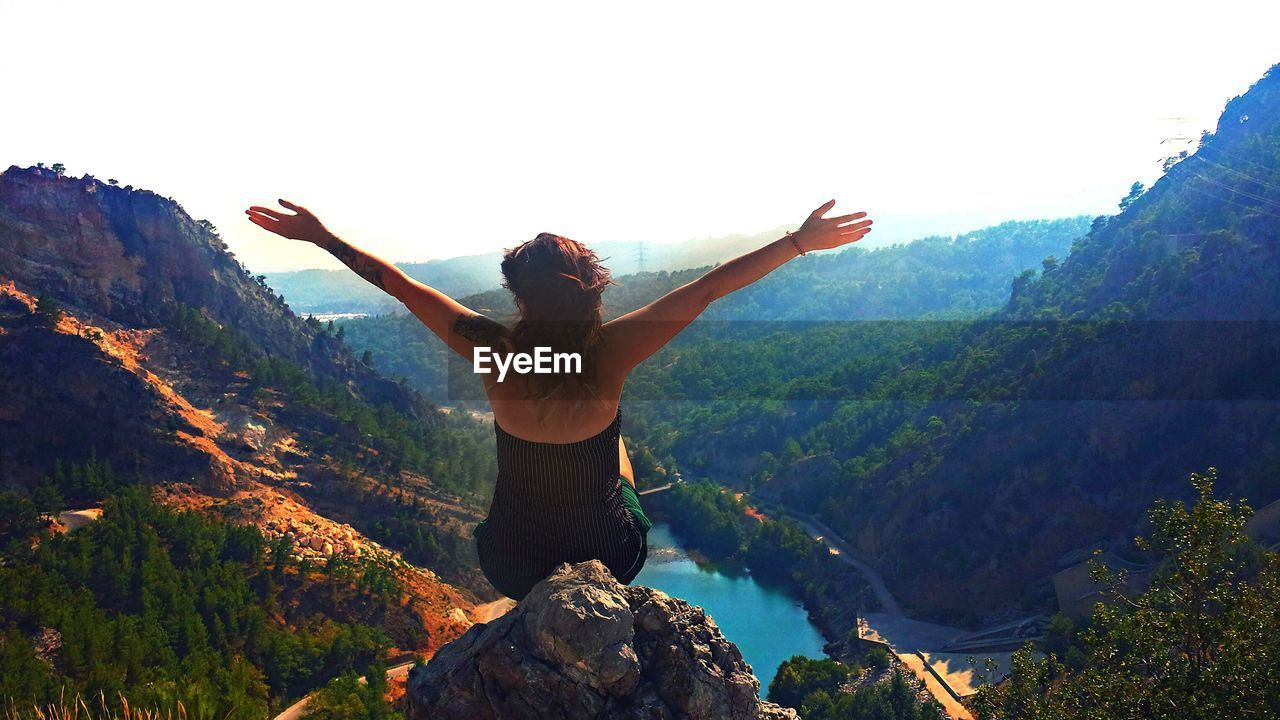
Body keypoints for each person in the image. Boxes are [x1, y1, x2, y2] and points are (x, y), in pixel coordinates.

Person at [246, 199, 872, 599]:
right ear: (594, 291)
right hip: (611, 558)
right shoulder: (611, 353)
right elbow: (709, 289)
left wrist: (321, 234)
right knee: (617, 447)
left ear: (518, 296)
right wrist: (798, 242)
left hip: (512, 566)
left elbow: (400, 286)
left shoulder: (489, 349)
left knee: (530, 479)